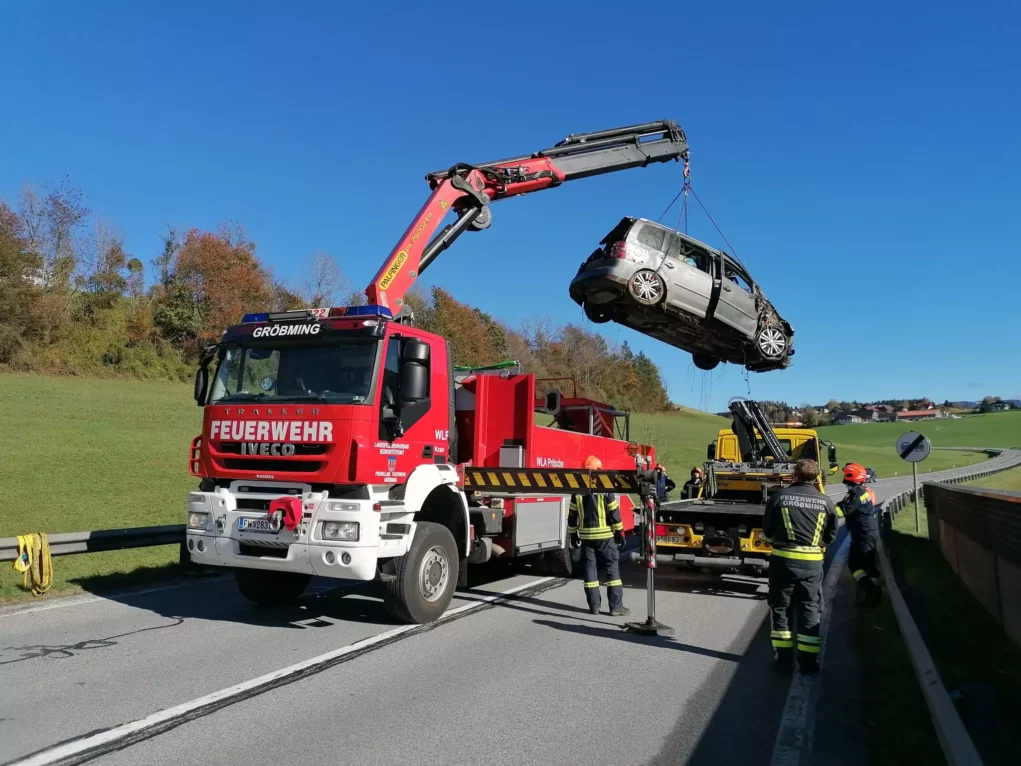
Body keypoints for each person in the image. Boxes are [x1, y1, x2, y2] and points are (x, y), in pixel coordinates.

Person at [762, 459, 839, 674]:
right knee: (809, 609)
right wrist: (816, 546)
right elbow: (831, 535)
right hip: (812, 565)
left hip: (783, 562)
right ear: (816, 477)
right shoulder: (825, 501)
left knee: (780, 608)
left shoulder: (779, 497)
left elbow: (767, 531)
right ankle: (808, 663)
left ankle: (783, 661)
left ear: (794, 474)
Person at [569, 455, 629, 617]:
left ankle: (594, 607)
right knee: (612, 569)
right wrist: (620, 532)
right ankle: (616, 607)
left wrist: (573, 534)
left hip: (586, 537)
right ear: (599, 470)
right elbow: (614, 512)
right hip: (605, 536)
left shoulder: (578, 489)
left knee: (590, 570)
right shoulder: (605, 487)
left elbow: (572, 515)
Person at [836, 463, 881, 606]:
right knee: (856, 564)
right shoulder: (862, 491)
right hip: (863, 533)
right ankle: (871, 591)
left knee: (862, 565)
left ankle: (873, 593)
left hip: (863, 534)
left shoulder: (855, 494)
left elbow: (841, 512)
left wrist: (822, 509)